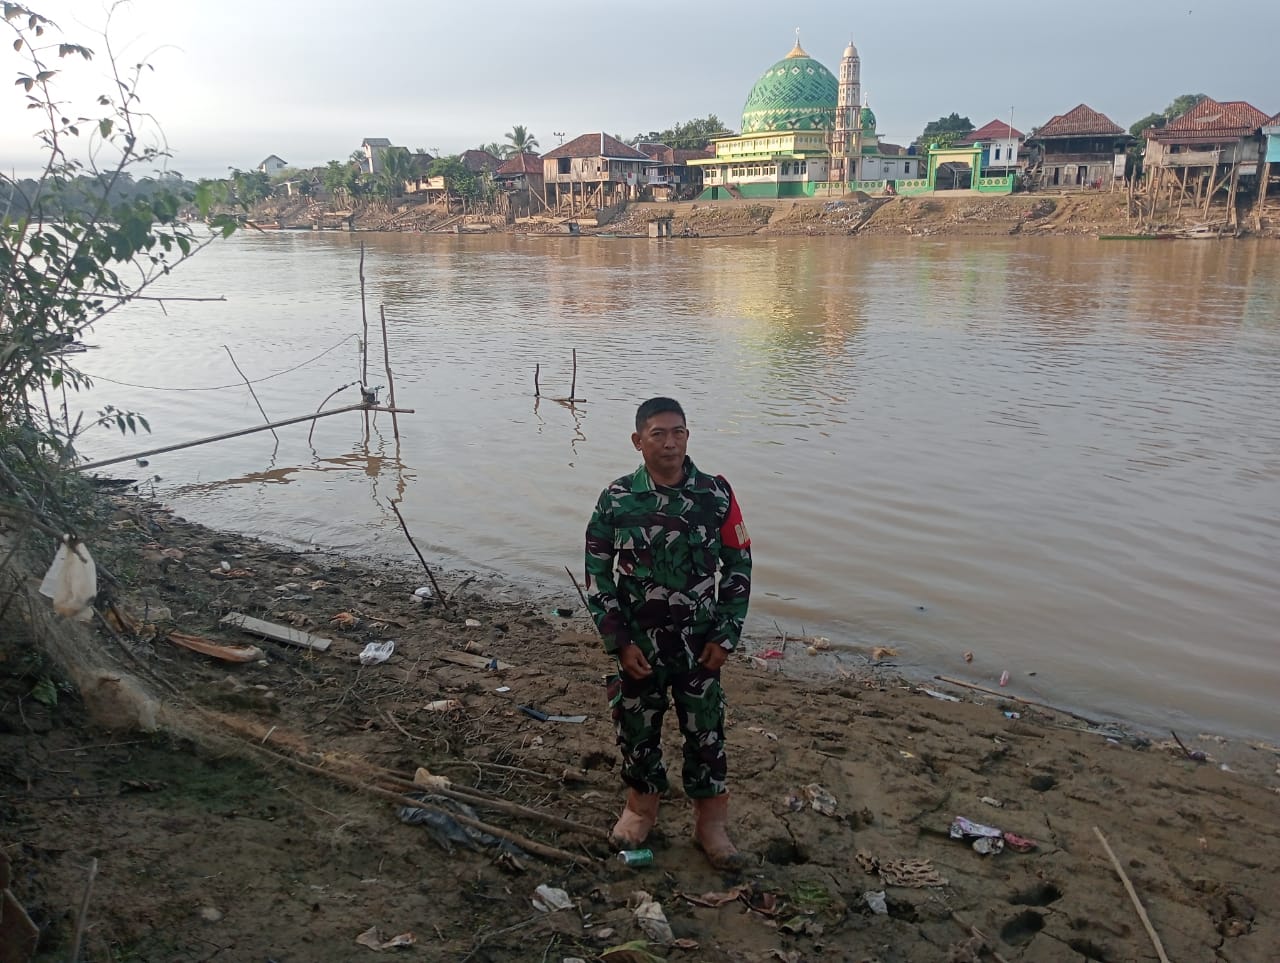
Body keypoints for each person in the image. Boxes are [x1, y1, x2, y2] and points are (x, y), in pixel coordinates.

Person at [584, 397, 752, 870]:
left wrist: (726, 634)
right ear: (638, 441)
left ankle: (711, 823)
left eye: (678, 432)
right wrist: (619, 640)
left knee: (706, 731)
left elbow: (738, 565)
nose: (670, 443)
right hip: (640, 647)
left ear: (688, 437)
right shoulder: (617, 498)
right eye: (658, 434)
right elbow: (597, 572)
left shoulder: (716, 494)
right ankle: (640, 810)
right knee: (637, 728)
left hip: (701, 645)